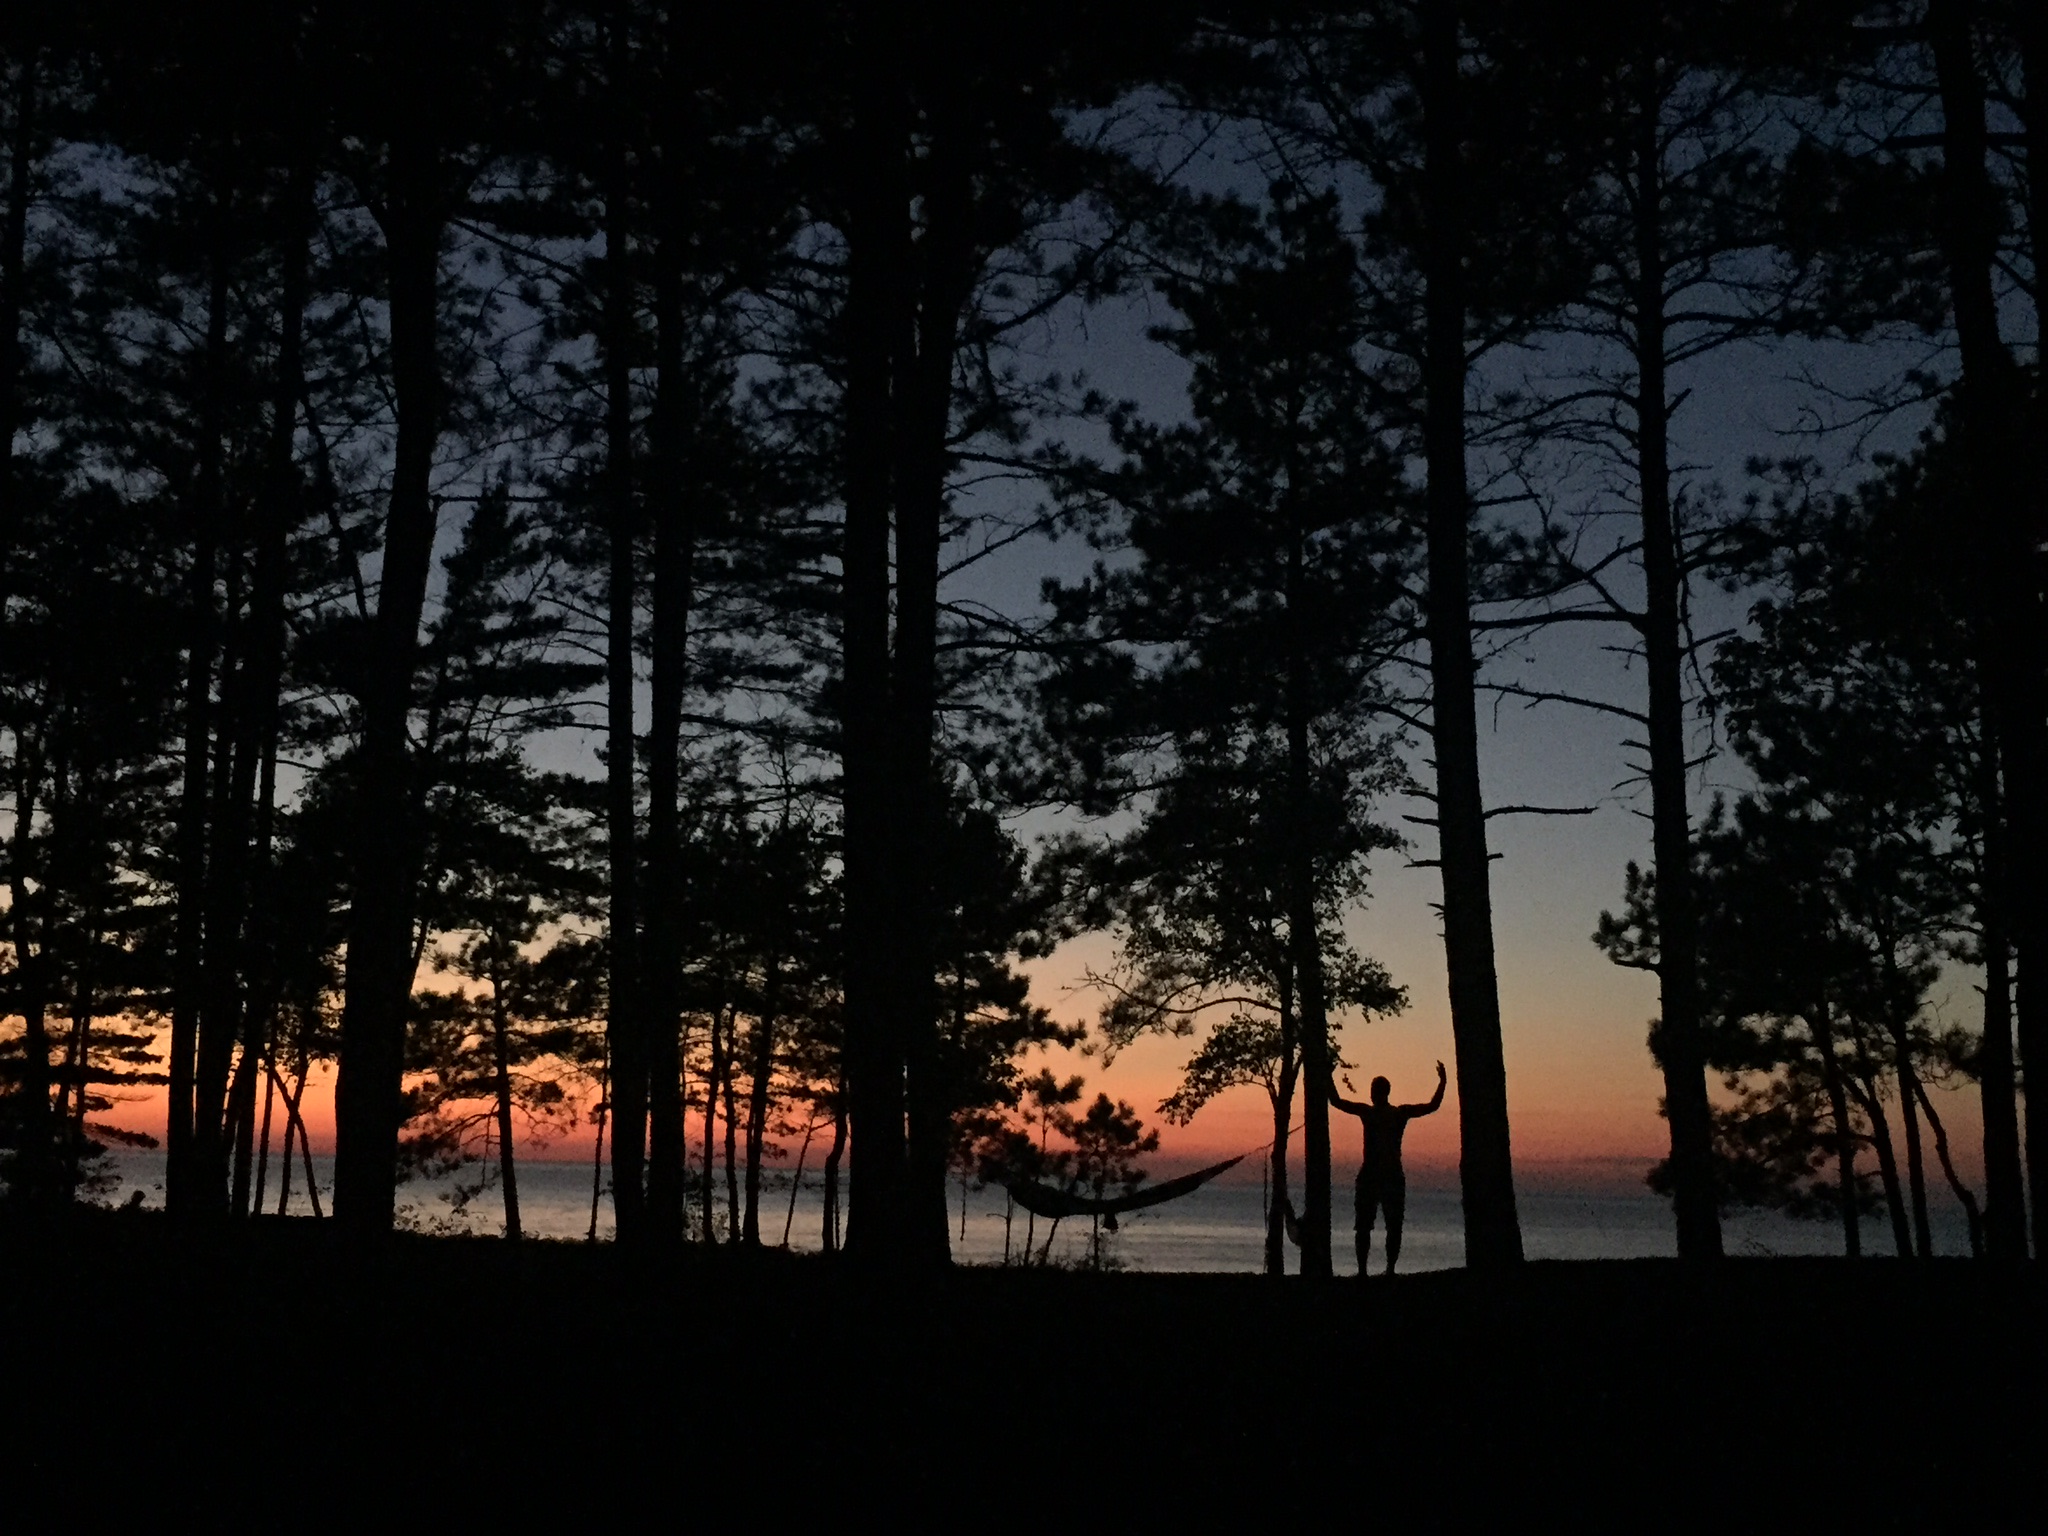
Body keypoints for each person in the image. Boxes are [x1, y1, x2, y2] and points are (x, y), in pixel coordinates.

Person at [1329, 1061, 1445, 1276]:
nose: (1373, 1095)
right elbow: (1432, 1106)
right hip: (1382, 1175)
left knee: (1377, 1226)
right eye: (1373, 1091)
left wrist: (1443, 1082)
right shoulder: (1392, 1113)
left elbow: (1336, 1101)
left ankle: (1376, 1270)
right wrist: (1442, 1082)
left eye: (1375, 1091)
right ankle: (1376, 1270)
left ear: (1380, 1093)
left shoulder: (1380, 1113)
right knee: (1376, 1226)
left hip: (1381, 1175)